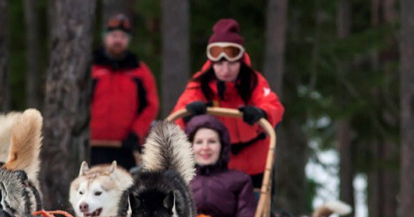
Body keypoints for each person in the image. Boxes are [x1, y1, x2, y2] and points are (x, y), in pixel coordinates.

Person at [172, 18, 283, 188]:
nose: (225, 70)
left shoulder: (253, 81)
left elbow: (273, 105)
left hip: (255, 168)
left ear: (240, 60)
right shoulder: (200, 83)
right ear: (212, 63)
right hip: (214, 168)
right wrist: (189, 114)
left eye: (231, 63)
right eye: (220, 63)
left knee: (256, 210)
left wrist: (262, 112)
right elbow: (179, 113)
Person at [90, 13, 159, 170]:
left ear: (128, 40)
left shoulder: (140, 71)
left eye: (122, 36)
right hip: (92, 147)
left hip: (126, 148)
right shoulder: (92, 69)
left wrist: (136, 133)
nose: (118, 40)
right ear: (105, 38)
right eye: (114, 35)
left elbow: (151, 106)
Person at [186, 115, 256, 217]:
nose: (205, 148)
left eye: (212, 141)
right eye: (199, 142)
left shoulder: (239, 180)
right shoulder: (178, 180)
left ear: (222, 146)